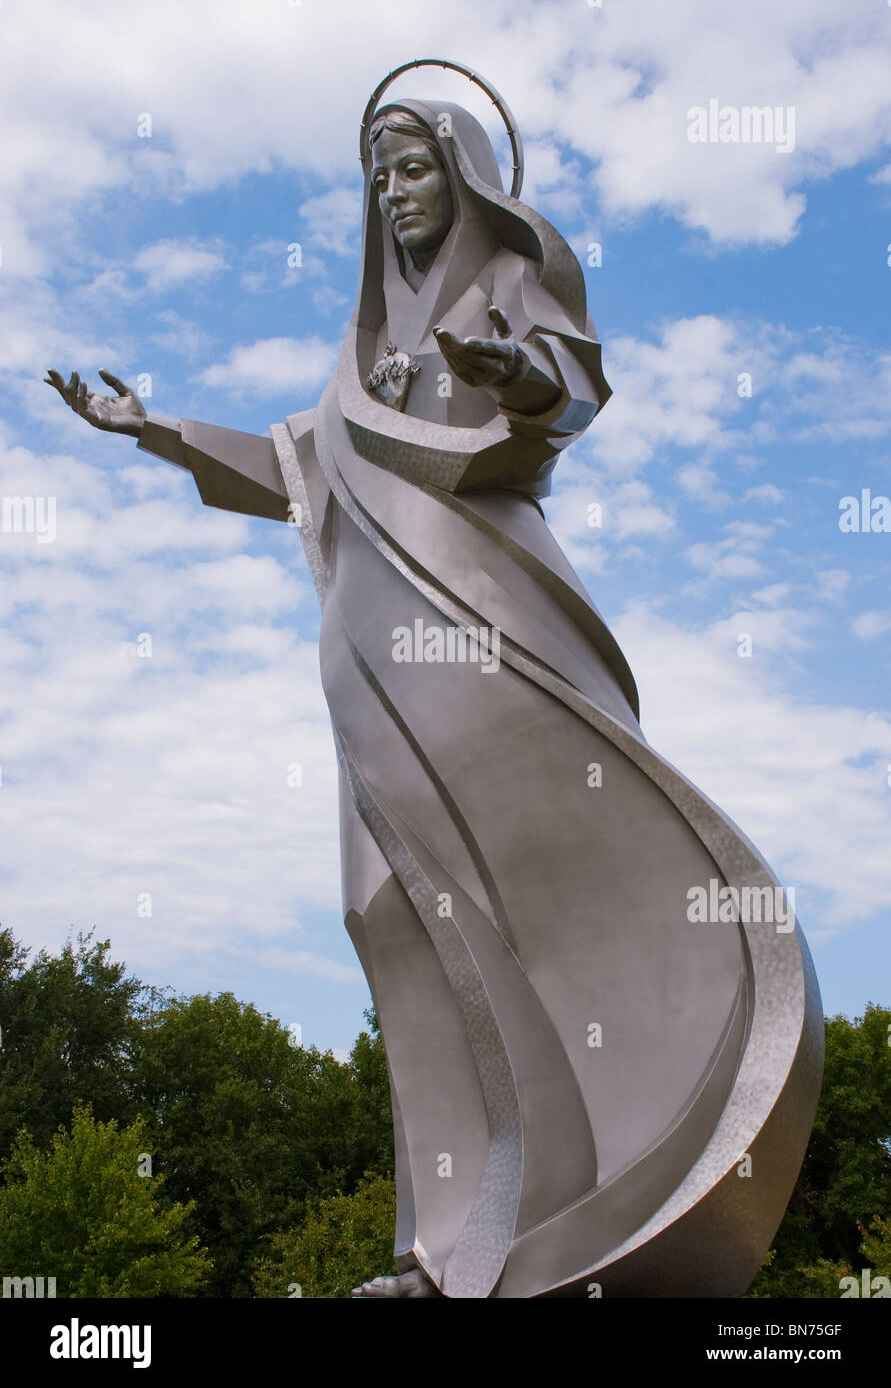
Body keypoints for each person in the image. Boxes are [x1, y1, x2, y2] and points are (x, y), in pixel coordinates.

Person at [46, 92, 822, 1300]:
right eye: (377, 176)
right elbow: (289, 464)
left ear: (461, 174)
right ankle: (449, 1247)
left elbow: (564, 396)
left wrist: (514, 374)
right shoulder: (357, 361)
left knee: (527, 897)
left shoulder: (510, 282)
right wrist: (154, 430)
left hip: (495, 625)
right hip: (375, 658)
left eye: (411, 168)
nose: (392, 192)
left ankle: (593, 1190)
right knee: (388, 910)